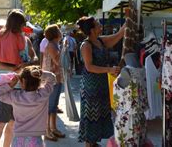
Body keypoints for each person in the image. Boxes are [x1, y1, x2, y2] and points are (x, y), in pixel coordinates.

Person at [77, 16, 125, 147]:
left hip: (101, 84)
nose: (101, 26)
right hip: (90, 87)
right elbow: (89, 67)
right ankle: (89, 143)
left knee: (99, 114)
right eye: (98, 25)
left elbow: (119, 35)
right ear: (92, 30)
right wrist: (109, 69)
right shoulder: (86, 45)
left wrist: (130, 19)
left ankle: (93, 143)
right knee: (92, 116)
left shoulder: (100, 41)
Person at [0, 9, 27, 147]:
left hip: (1, 74)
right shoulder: (19, 36)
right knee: (12, 120)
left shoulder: (1, 33)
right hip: (15, 74)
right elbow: (22, 47)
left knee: (0, 120)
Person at [0, 65, 56, 147]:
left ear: (22, 82)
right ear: (39, 82)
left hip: (18, 138)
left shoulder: (15, 97)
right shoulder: (43, 95)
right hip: (35, 139)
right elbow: (52, 78)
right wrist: (40, 73)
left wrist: (10, 85)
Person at [42, 24, 66, 141]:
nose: (60, 32)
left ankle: (53, 128)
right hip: (51, 79)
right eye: (58, 30)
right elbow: (57, 61)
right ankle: (47, 131)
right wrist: (64, 49)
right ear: (55, 34)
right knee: (50, 105)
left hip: (57, 78)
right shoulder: (52, 45)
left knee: (54, 105)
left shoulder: (55, 45)